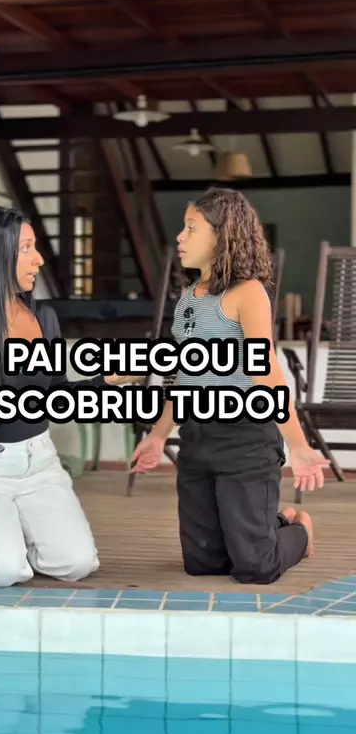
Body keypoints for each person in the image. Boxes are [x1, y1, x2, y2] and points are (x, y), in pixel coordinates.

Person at [0, 205, 139, 588]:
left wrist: (106, 382)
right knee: (2, 572)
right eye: (27, 248)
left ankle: (6, 532)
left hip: (39, 463)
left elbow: (55, 395)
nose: (39, 259)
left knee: (76, 565)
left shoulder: (45, 319)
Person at [131, 187, 328, 585]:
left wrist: (298, 444)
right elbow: (186, 376)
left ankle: (299, 528)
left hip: (246, 441)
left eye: (191, 228)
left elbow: (266, 370)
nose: (180, 237)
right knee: (203, 563)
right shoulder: (188, 298)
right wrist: (158, 436)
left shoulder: (248, 292)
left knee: (256, 567)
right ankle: (269, 522)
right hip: (198, 438)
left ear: (221, 235)